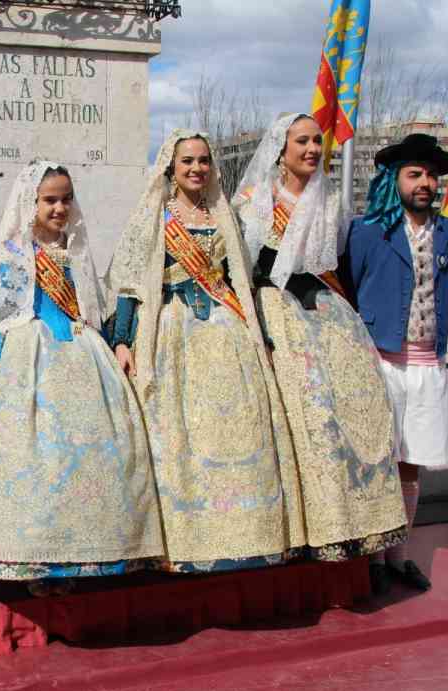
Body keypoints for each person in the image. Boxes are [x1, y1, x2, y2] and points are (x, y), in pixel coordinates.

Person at [0, 161, 163, 597]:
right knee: (38, 460)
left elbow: (92, 307)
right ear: (31, 202)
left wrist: (115, 343)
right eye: (50, 200)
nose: (59, 208)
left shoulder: (77, 250)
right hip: (29, 357)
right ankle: (36, 559)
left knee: (89, 457)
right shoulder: (14, 252)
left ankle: (82, 555)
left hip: (84, 354)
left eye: (66, 199)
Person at [107, 129, 302, 572]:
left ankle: (245, 534)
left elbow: (239, 279)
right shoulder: (155, 215)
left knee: (238, 426)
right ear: (171, 168)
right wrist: (121, 339)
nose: (196, 168)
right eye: (187, 161)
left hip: (227, 331)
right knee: (180, 433)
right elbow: (130, 284)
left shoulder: (223, 214)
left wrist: (261, 335)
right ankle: (185, 542)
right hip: (172, 330)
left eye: (203, 160)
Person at [233, 113, 406, 564]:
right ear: (281, 148)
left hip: (327, 314)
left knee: (348, 413)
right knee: (302, 415)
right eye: (302, 142)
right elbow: (239, 268)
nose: (312, 149)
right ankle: (301, 529)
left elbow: (339, 264)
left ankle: (349, 525)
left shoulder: (331, 201)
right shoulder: (254, 199)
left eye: (317, 141)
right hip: (275, 312)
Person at [341, 133, 448, 593]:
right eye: (415, 174)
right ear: (394, 180)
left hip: (427, 364)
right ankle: (373, 559)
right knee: (377, 460)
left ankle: (400, 555)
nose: (425, 183)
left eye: (431, 175)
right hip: (380, 363)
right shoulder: (366, 231)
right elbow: (350, 289)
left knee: (410, 464)